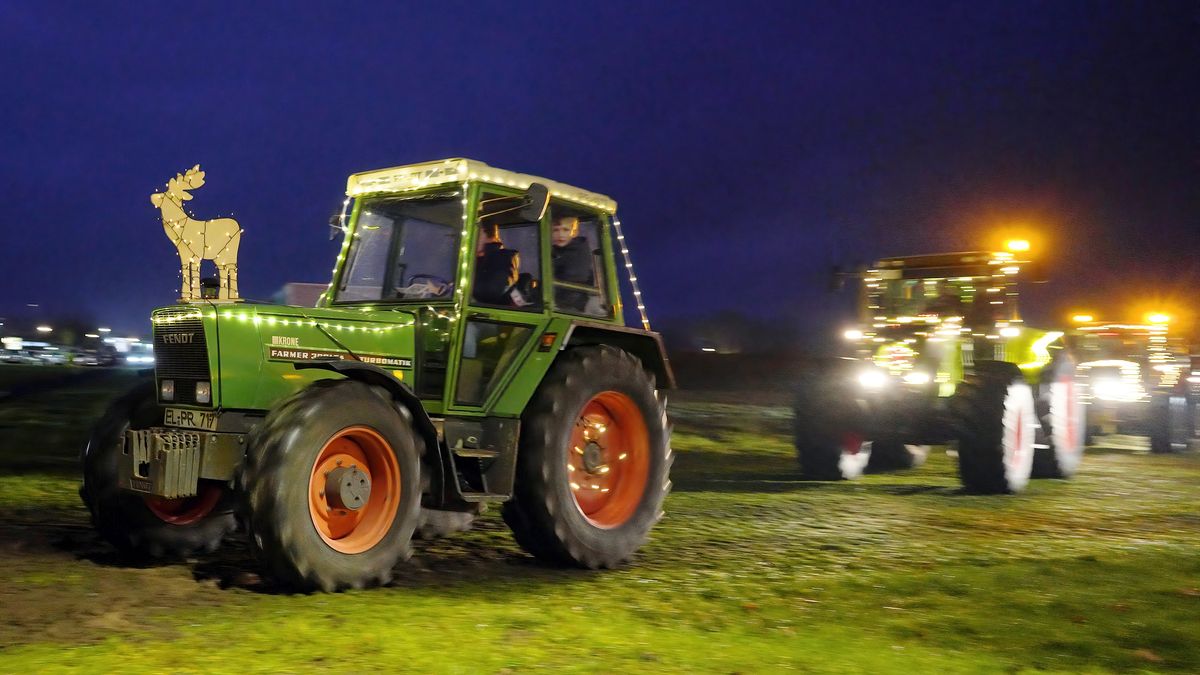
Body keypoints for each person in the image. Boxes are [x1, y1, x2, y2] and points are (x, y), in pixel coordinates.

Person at [551, 216, 594, 312]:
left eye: (565, 230)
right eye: (555, 230)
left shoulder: (578, 253)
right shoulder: (556, 252)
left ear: (574, 233)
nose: (560, 234)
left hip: (570, 307)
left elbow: (572, 280)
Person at [473, 222, 520, 305]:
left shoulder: (504, 257)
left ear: (482, 232)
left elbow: (491, 291)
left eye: (472, 234)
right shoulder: (472, 260)